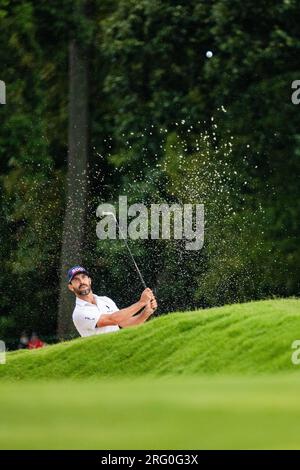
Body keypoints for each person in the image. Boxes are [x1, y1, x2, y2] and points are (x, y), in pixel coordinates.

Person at [67, 265, 158, 338]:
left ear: (89, 281)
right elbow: (113, 319)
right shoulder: (79, 313)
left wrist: (146, 312)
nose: (82, 281)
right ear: (71, 287)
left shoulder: (105, 300)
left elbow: (126, 324)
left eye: (83, 277)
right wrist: (141, 303)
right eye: (76, 280)